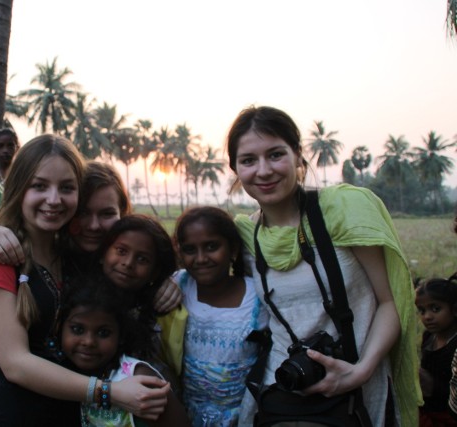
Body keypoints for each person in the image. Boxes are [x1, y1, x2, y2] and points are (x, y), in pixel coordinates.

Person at [0, 134, 171, 425]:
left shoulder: (72, 257)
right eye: (39, 186)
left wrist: (168, 282)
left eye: (66, 188)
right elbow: (16, 364)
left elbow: (133, 273)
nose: (54, 199)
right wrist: (108, 393)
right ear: (19, 188)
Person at [225, 106, 421, 426]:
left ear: (298, 157)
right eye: (248, 160)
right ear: (235, 168)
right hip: (284, 392)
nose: (263, 170)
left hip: (359, 388)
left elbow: (392, 302)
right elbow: (203, 278)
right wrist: (169, 286)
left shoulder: (343, 211)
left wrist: (361, 371)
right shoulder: (246, 237)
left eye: (276, 154)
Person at [171, 206, 269, 427]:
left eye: (212, 247)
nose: (201, 258)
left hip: (245, 416)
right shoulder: (179, 286)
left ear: (233, 249)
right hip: (186, 415)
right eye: (189, 249)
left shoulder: (256, 297)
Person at [58, 277, 191, 427]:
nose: (88, 342)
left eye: (103, 333)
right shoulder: (61, 373)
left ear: (120, 336)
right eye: (77, 329)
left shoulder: (139, 378)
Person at [415, 273, 457, 426]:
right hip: (428, 406)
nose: (427, 316)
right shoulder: (429, 337)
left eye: (435, 308)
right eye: (422, 310)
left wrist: (432, 385)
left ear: (455, 310)